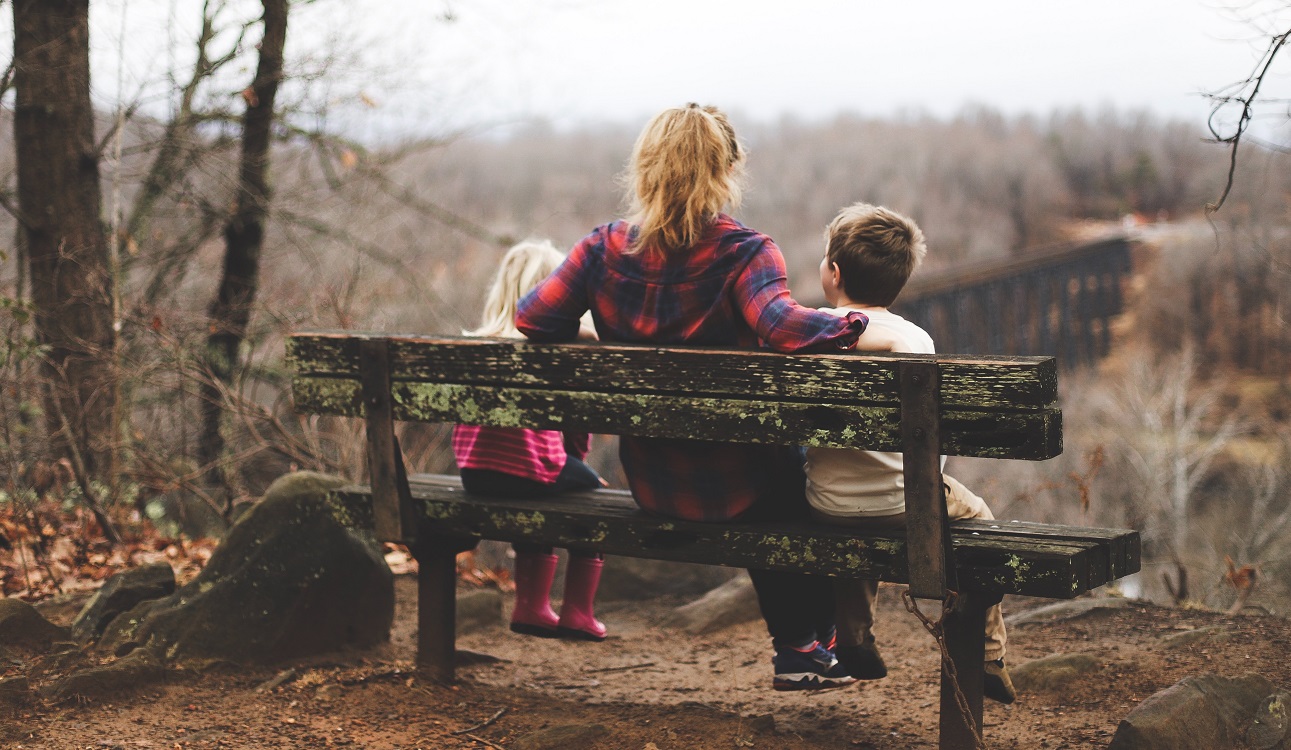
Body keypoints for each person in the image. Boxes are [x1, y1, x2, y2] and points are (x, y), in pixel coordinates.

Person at [517, 104, 880, 691]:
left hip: (655, 484)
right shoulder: (745, 252)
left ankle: (810, 648)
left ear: (644, 169)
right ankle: (807, 646)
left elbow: (531, 318)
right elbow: (784, 327)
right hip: (744, 488)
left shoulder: (600, 250)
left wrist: (586, 331)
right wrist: (859, 324)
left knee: (775, 474)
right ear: (727, 169)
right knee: (793, 477)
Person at [805, 202, 1016, 703]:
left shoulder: (807, 332)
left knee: (856, 515)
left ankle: (854, 639)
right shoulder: (915, 340)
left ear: (833, 273)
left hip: (826, 504)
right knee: (979, 518)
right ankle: (988, 652)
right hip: (906, 503)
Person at [452, 239, 609, 642]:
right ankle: (576, 612)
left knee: (539, 482)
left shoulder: (477, 344)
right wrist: (580, 467)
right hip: (529, 471)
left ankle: (532, 606)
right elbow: (574, 429)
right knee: (593, 495)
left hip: (475, 474)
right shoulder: (551, 349)